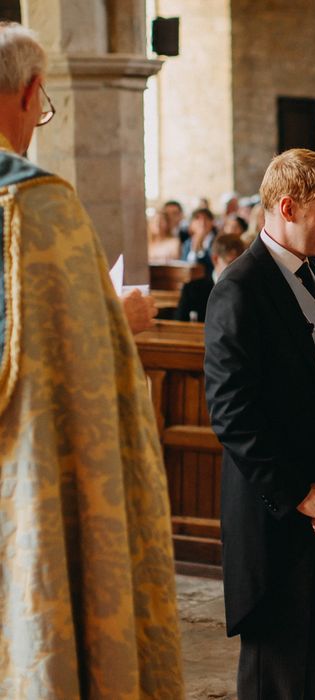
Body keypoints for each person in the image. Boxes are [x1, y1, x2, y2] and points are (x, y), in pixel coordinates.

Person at [0, 22, 183, 696]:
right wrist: (122, 318)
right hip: (24, 477)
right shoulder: (41, 207)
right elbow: (77, 358)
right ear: (30, 92)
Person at [204, 148, 315, 700]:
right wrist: (298, 494)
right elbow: (231, 412)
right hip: (276, 512)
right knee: (275, 674)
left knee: (311, 667)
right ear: (287, 206)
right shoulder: (239, 289)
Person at [175, 233, 245, 322]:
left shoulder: (248, 289)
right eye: (230, 263)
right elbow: (180, 326)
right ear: (215, 259)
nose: (236, 269)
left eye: (240, 263)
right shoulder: (192, 290)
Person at [181, 206, 217, 275]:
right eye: (197, 218)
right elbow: (183, 265)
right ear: (191, 224)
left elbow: (212, 266)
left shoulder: (217, 241)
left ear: (212, 222)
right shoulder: (187, 243)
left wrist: (200, 248)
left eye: (206, 218)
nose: (202, 222)